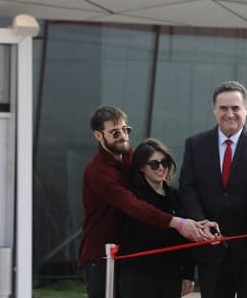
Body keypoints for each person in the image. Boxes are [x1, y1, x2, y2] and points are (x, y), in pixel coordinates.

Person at [80, 106, 214, 298]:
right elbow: (132, 205)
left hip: (127, 254)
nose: (123, 136)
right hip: (101, 255)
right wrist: (177, 223)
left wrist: (197, 224)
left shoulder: (128, 155)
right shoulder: (98, 172)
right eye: (115, 132)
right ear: (98, 135)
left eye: (125, 129)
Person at [178, 81, 247, 298]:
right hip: (211, 248)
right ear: (214, 110)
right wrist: (200, 222)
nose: (230, 114)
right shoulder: (195, 144)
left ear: (246, 109)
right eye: (223, 108)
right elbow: (188, 188)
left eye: (235, 108)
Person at [117, 139, 195, 298]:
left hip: (170, 276)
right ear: (141, 167)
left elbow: (186, 238)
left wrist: (188, 273)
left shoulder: (175, 196)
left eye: (164, 162)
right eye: (154, 164)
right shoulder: (133, 198)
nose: (161, 168)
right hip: (138, 276)